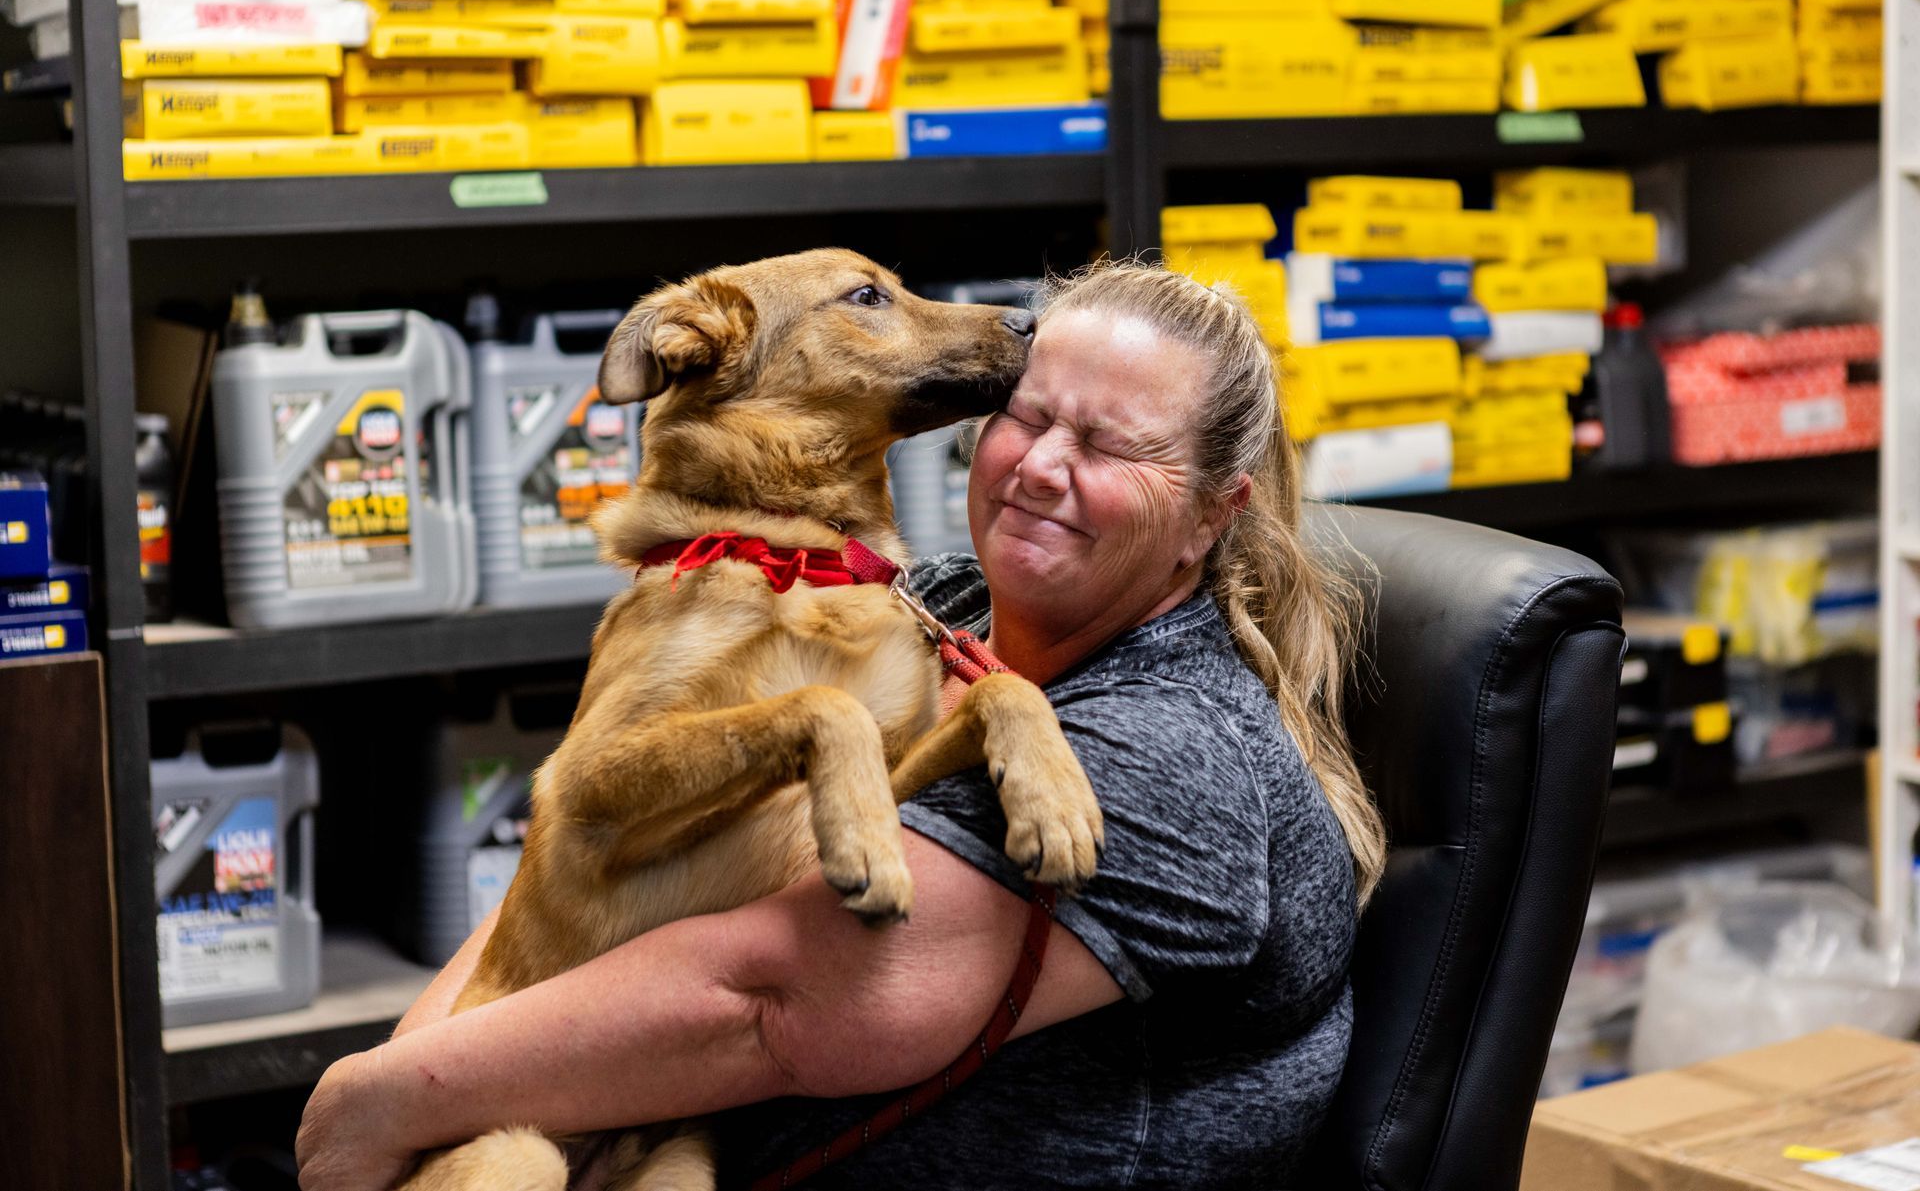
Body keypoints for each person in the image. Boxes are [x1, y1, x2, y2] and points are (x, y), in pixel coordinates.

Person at [295, 260, 1386, 1191]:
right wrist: (415, 1078)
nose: (1043, 467)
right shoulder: (933, 601)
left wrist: (377, 1102)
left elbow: (768, 999)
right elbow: (575, 857)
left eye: (1109, 447)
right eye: (1028, 416)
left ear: (1211, 512)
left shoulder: (1174, 756)